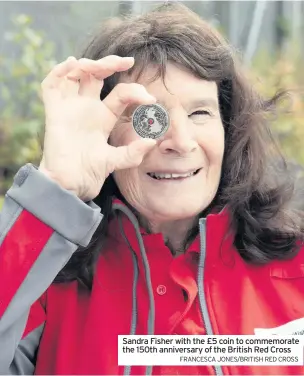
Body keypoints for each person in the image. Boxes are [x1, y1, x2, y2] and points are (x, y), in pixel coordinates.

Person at [0, 3, 303, 376]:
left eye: (200, 113)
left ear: (230, 130)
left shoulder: (296, 270)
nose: (180, 141)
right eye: (148, 117)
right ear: (103, 134)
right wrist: (55, 189)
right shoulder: (44, 286)